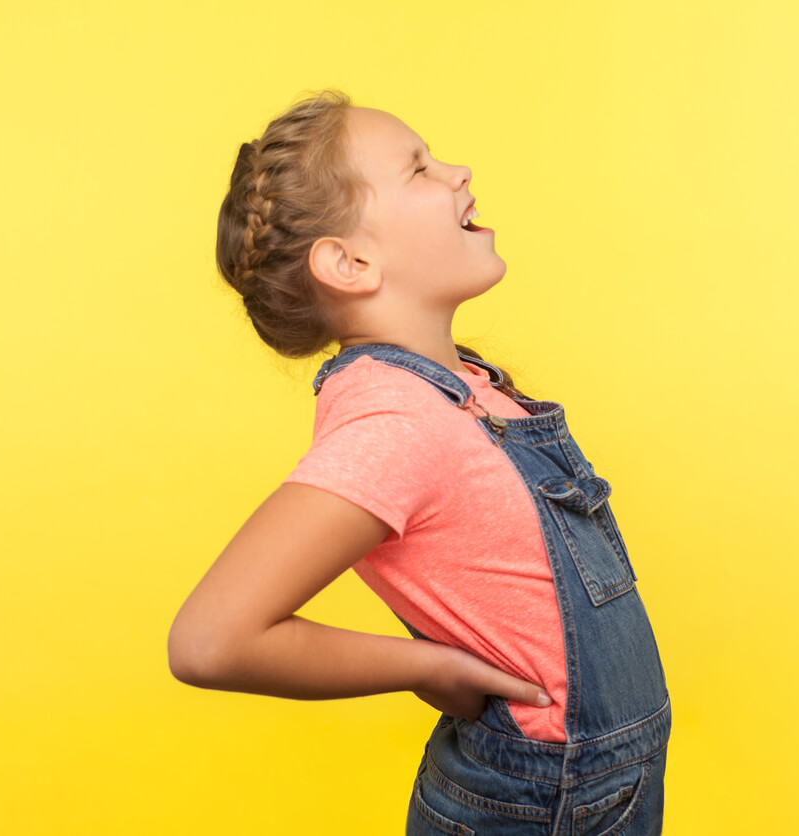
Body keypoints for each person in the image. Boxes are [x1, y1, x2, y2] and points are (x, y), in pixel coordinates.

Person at [168, 89, 671, 835]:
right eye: (419, 169)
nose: (458, 170)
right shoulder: (396, 420)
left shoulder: (462, 387)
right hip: (540, 801)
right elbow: (210, 641)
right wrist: (432, 667)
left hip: (589, 790)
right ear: (350, 262)